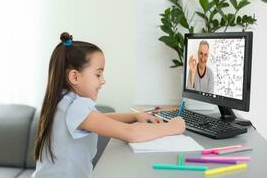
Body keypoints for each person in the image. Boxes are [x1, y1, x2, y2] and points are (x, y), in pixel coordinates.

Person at [32, 32, 186, 178]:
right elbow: (131, 134)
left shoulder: (62, 100)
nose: (103, 80)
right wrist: (173, 127)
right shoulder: (77, 105)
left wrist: (134, 115)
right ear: (74, 76)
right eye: (98, 74)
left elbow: (100, 119)